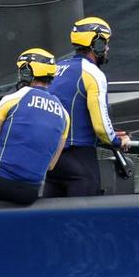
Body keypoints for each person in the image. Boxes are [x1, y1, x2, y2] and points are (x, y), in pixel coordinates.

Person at [45, 17, 130, 197]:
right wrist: (116, 140)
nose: (107, 48)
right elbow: (101, 127)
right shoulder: (93, 73)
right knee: (83, 222)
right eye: (105, 43)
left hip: (51, 159)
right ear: (97, 44)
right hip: (79, 159)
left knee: (53, 222)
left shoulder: (57, 68)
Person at [0, 48, 70, 205]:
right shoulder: (64, 114)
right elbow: (51, 164)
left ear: (27, 72)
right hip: (30, 191)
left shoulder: (13, 99)